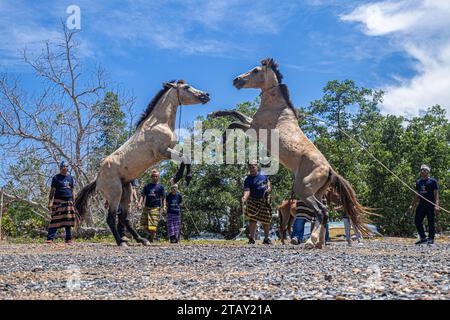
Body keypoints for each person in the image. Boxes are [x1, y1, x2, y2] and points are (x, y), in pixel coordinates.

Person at [407, 164, 440, 245]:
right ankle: (423, 238)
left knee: (430, 222)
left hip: (430, 204)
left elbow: (436, 194)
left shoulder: (433, 181)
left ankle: (431, 239)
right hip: (421, 204)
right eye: (422, 169)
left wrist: (437, 205)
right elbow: (417, 195)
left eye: (425, 170)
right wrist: (411, 205)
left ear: (428, 172)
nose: (423, 171)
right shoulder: (419, 182)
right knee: (417, 220)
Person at [46, 160, 76, 244]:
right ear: (60, 168)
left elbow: (72, 190)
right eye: (63, 167)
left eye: (66, 167)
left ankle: (68, 238)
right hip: (58, 201)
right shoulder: (56, 178)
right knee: (55, 219)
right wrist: (50, 202)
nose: (64, 169)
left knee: (68, 220)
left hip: (68, 201)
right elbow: (52, 190)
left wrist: (74, 201)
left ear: (67, 168)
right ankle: (50, 238)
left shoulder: (70, 178)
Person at [242, 164, 272, 245]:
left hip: (264, 200)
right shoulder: (248, 179)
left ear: (257, 168)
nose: (251, 169)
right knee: (252, 220)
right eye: (250, 168)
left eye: (253, 167)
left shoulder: (263, 175)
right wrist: (244, 197)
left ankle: (266, 239)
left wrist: (269, 188)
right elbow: (247, 190)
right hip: (253, 200)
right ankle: (251, 239)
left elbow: (268, 181)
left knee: (266, 220)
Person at [138, 170, 165, 242]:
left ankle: (151, 239)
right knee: (143, 224)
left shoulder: (161, 187)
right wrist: (139, 203)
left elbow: (163, 197)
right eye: (153, 176)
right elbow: (143, 195)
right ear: (151, 177)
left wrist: (164, 206)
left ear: (158, 177)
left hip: (155, 207)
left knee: (153, 225)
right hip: (147, 207)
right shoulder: (147, 186)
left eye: (156, 176)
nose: (154, 177)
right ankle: (151, 236)